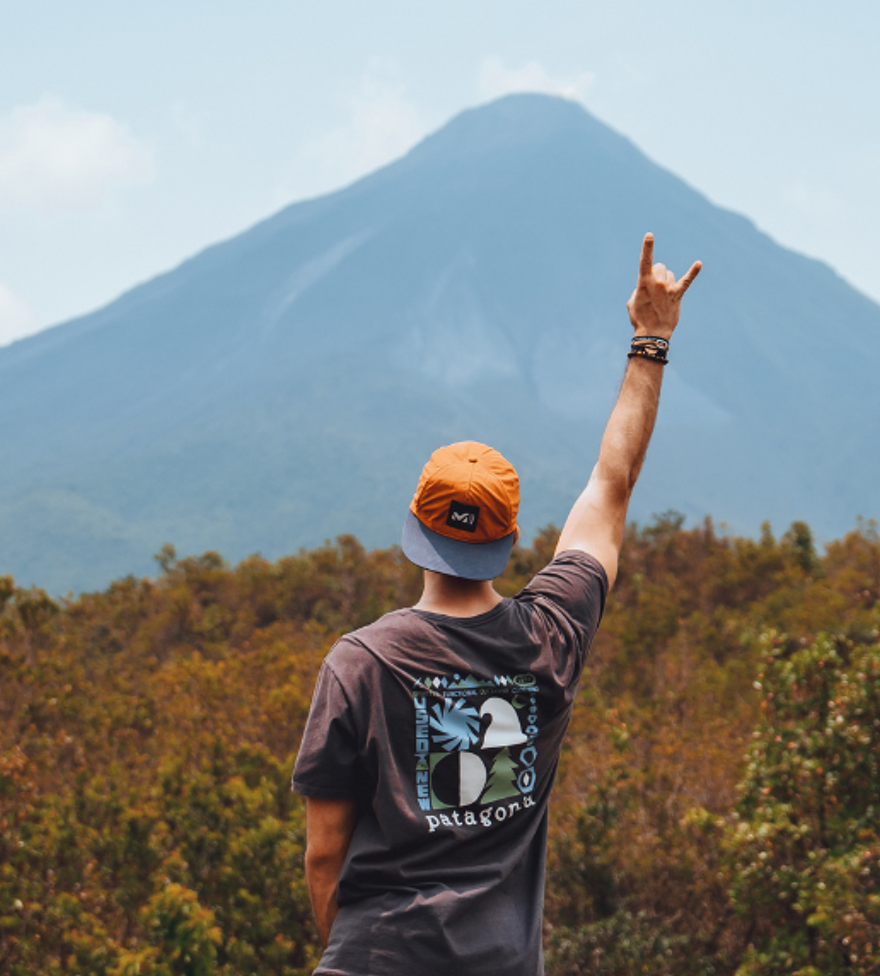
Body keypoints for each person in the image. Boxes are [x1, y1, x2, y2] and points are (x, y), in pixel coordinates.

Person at [290, 233, 701, 975]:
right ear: (509, 540)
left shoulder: (357, 662)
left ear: (414, 526)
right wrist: (650, 340)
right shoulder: (552, 634)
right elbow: (612, 485)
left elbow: (325, 851)